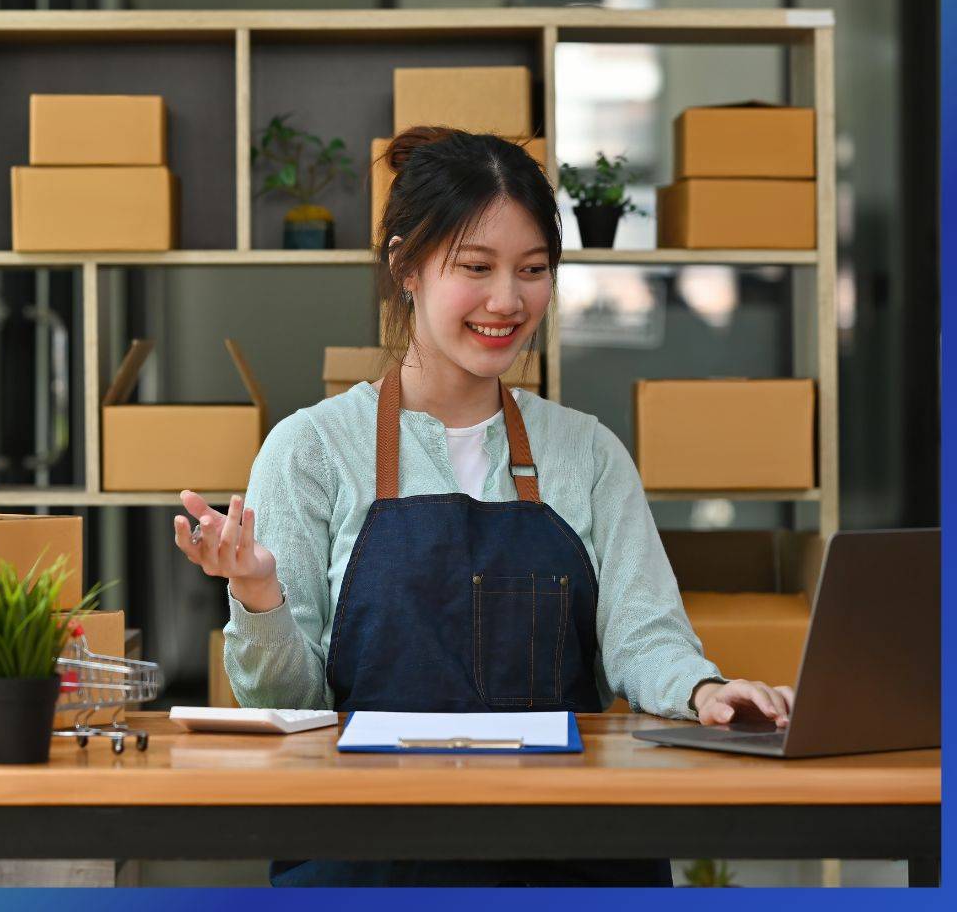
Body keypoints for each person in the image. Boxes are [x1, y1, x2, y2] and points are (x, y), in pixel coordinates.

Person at [174, 127, 795, 887]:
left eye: (533, 270)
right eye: (477, 267)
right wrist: (257, 594)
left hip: (571, 855)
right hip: (369, 858)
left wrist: (703, 690)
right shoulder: (309, 452)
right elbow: (287, 706)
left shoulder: (587, 454)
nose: (509, 300)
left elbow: (644, 637)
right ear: (405, 265)